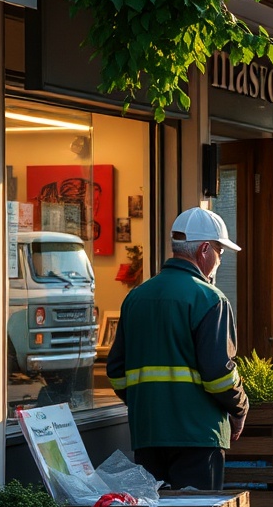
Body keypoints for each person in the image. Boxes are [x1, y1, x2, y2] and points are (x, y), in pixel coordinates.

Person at [106, 207, 249, 491]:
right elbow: (219, 374)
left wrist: (147, 403)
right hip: (199, 436)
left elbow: (116, 372)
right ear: (204, 249)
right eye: (220, 252)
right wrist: (240, 407)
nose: (219, 260)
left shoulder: (136, 297)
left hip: (148, 434)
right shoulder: (210, 299)